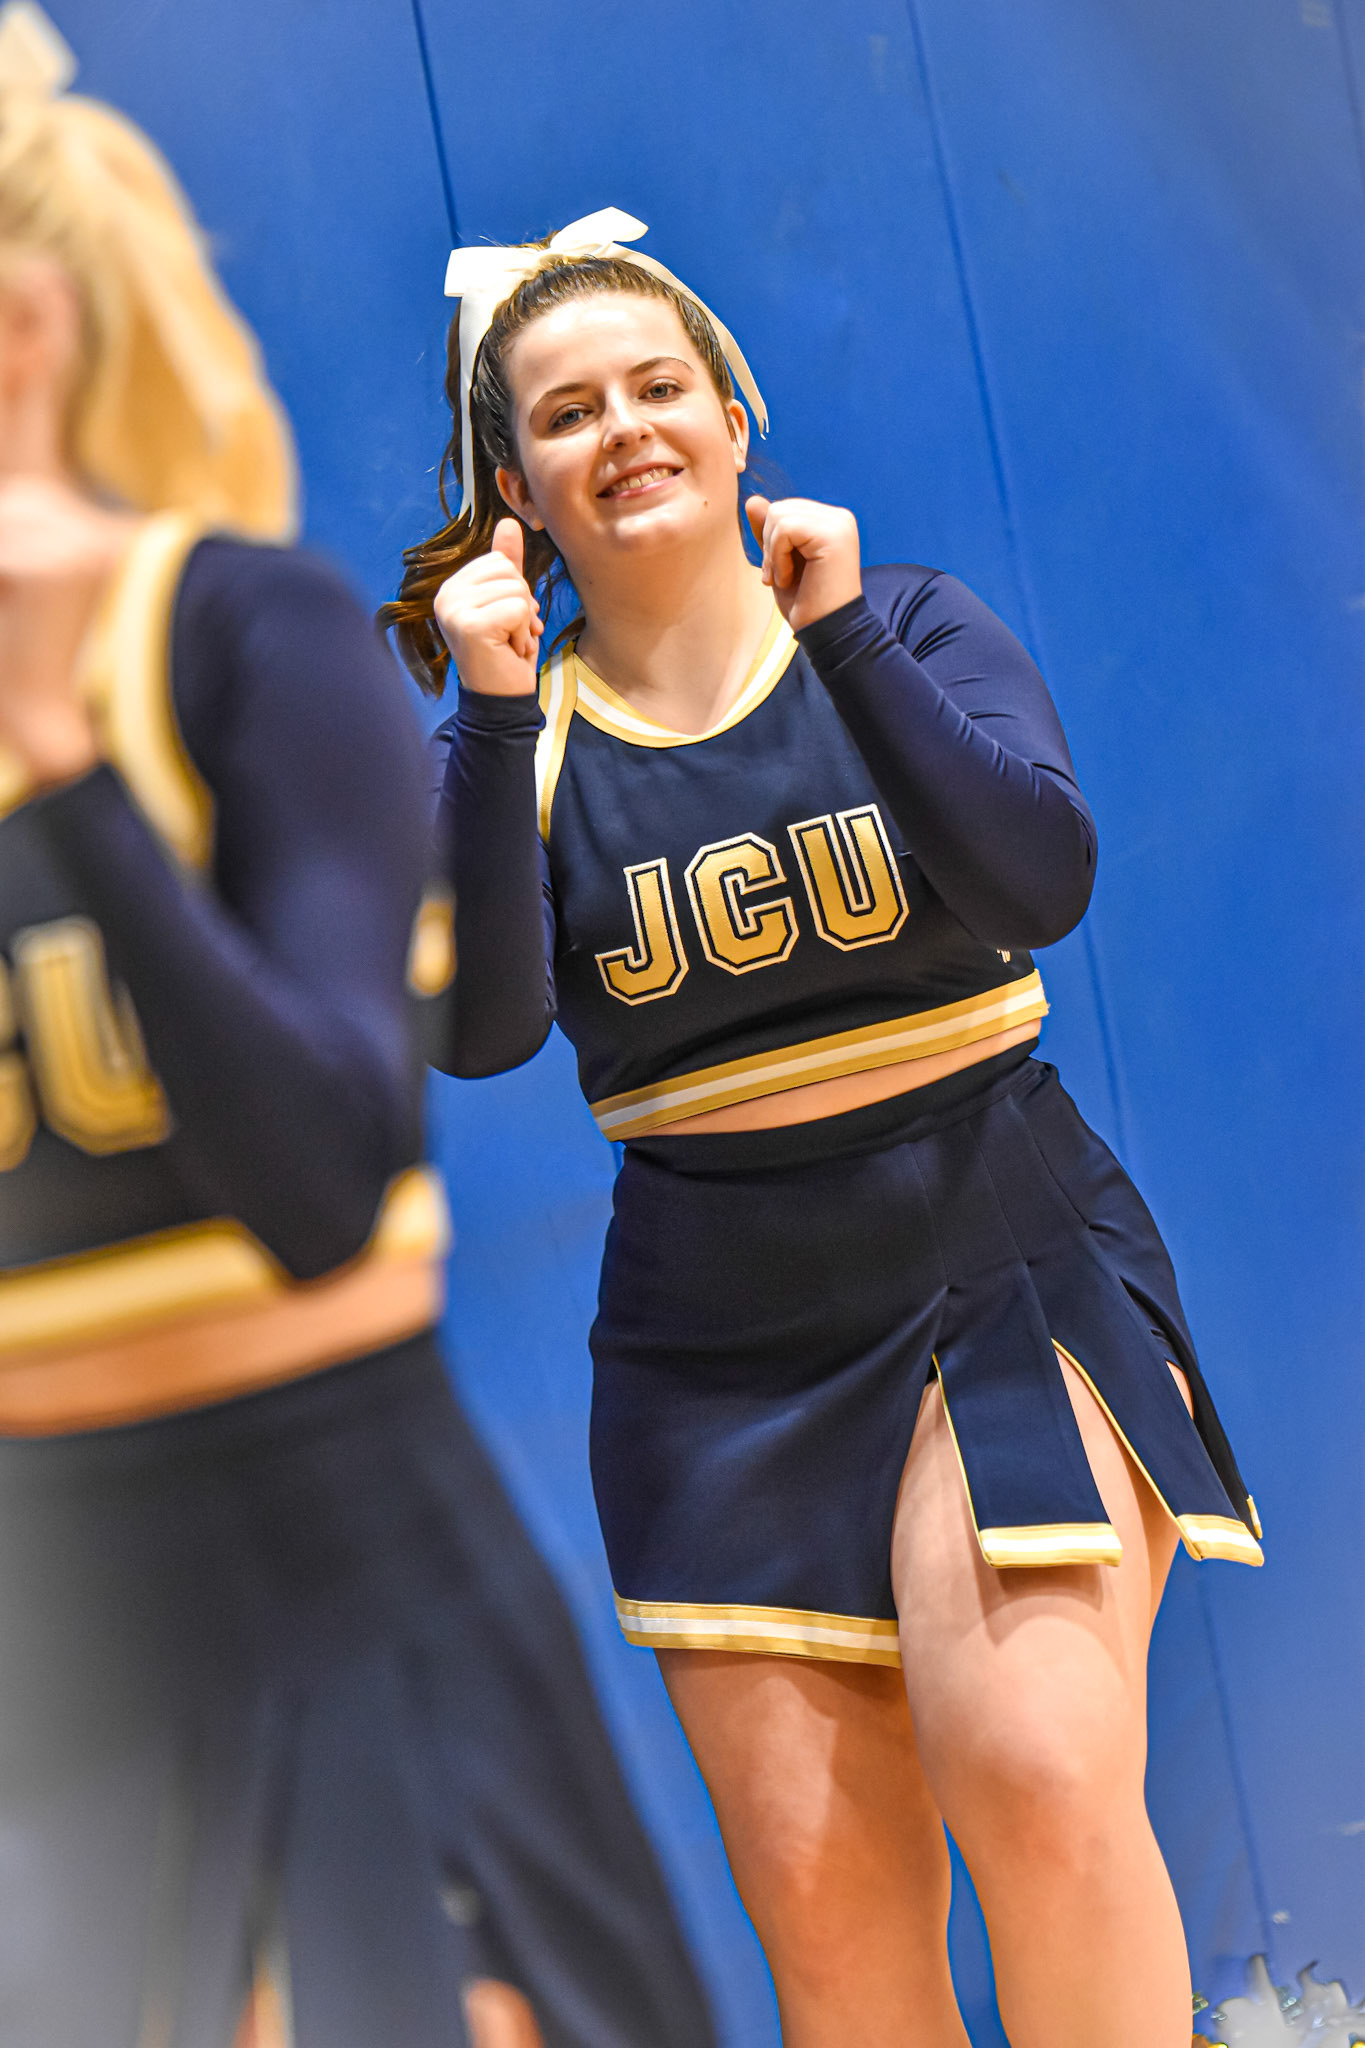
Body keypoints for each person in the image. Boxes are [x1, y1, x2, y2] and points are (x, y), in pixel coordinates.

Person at [385, 205, 1265, 2048]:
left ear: (732, 419)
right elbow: (479, 1032)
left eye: (658, 387)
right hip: (718, 1356)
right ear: (514, 490)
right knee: (835, 1935)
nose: (624, 429)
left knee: (1037, 1776)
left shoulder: (906, 623)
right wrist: (482, 714)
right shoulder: (521, 741)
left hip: (1000, 1273)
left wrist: (845, 634)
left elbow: (1037, 879)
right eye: (565, 413)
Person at [0, 19, 717, 2048]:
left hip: (343, 1559)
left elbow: (326, 1181)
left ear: (26, 334)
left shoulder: (239, 635)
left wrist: (67, 774)